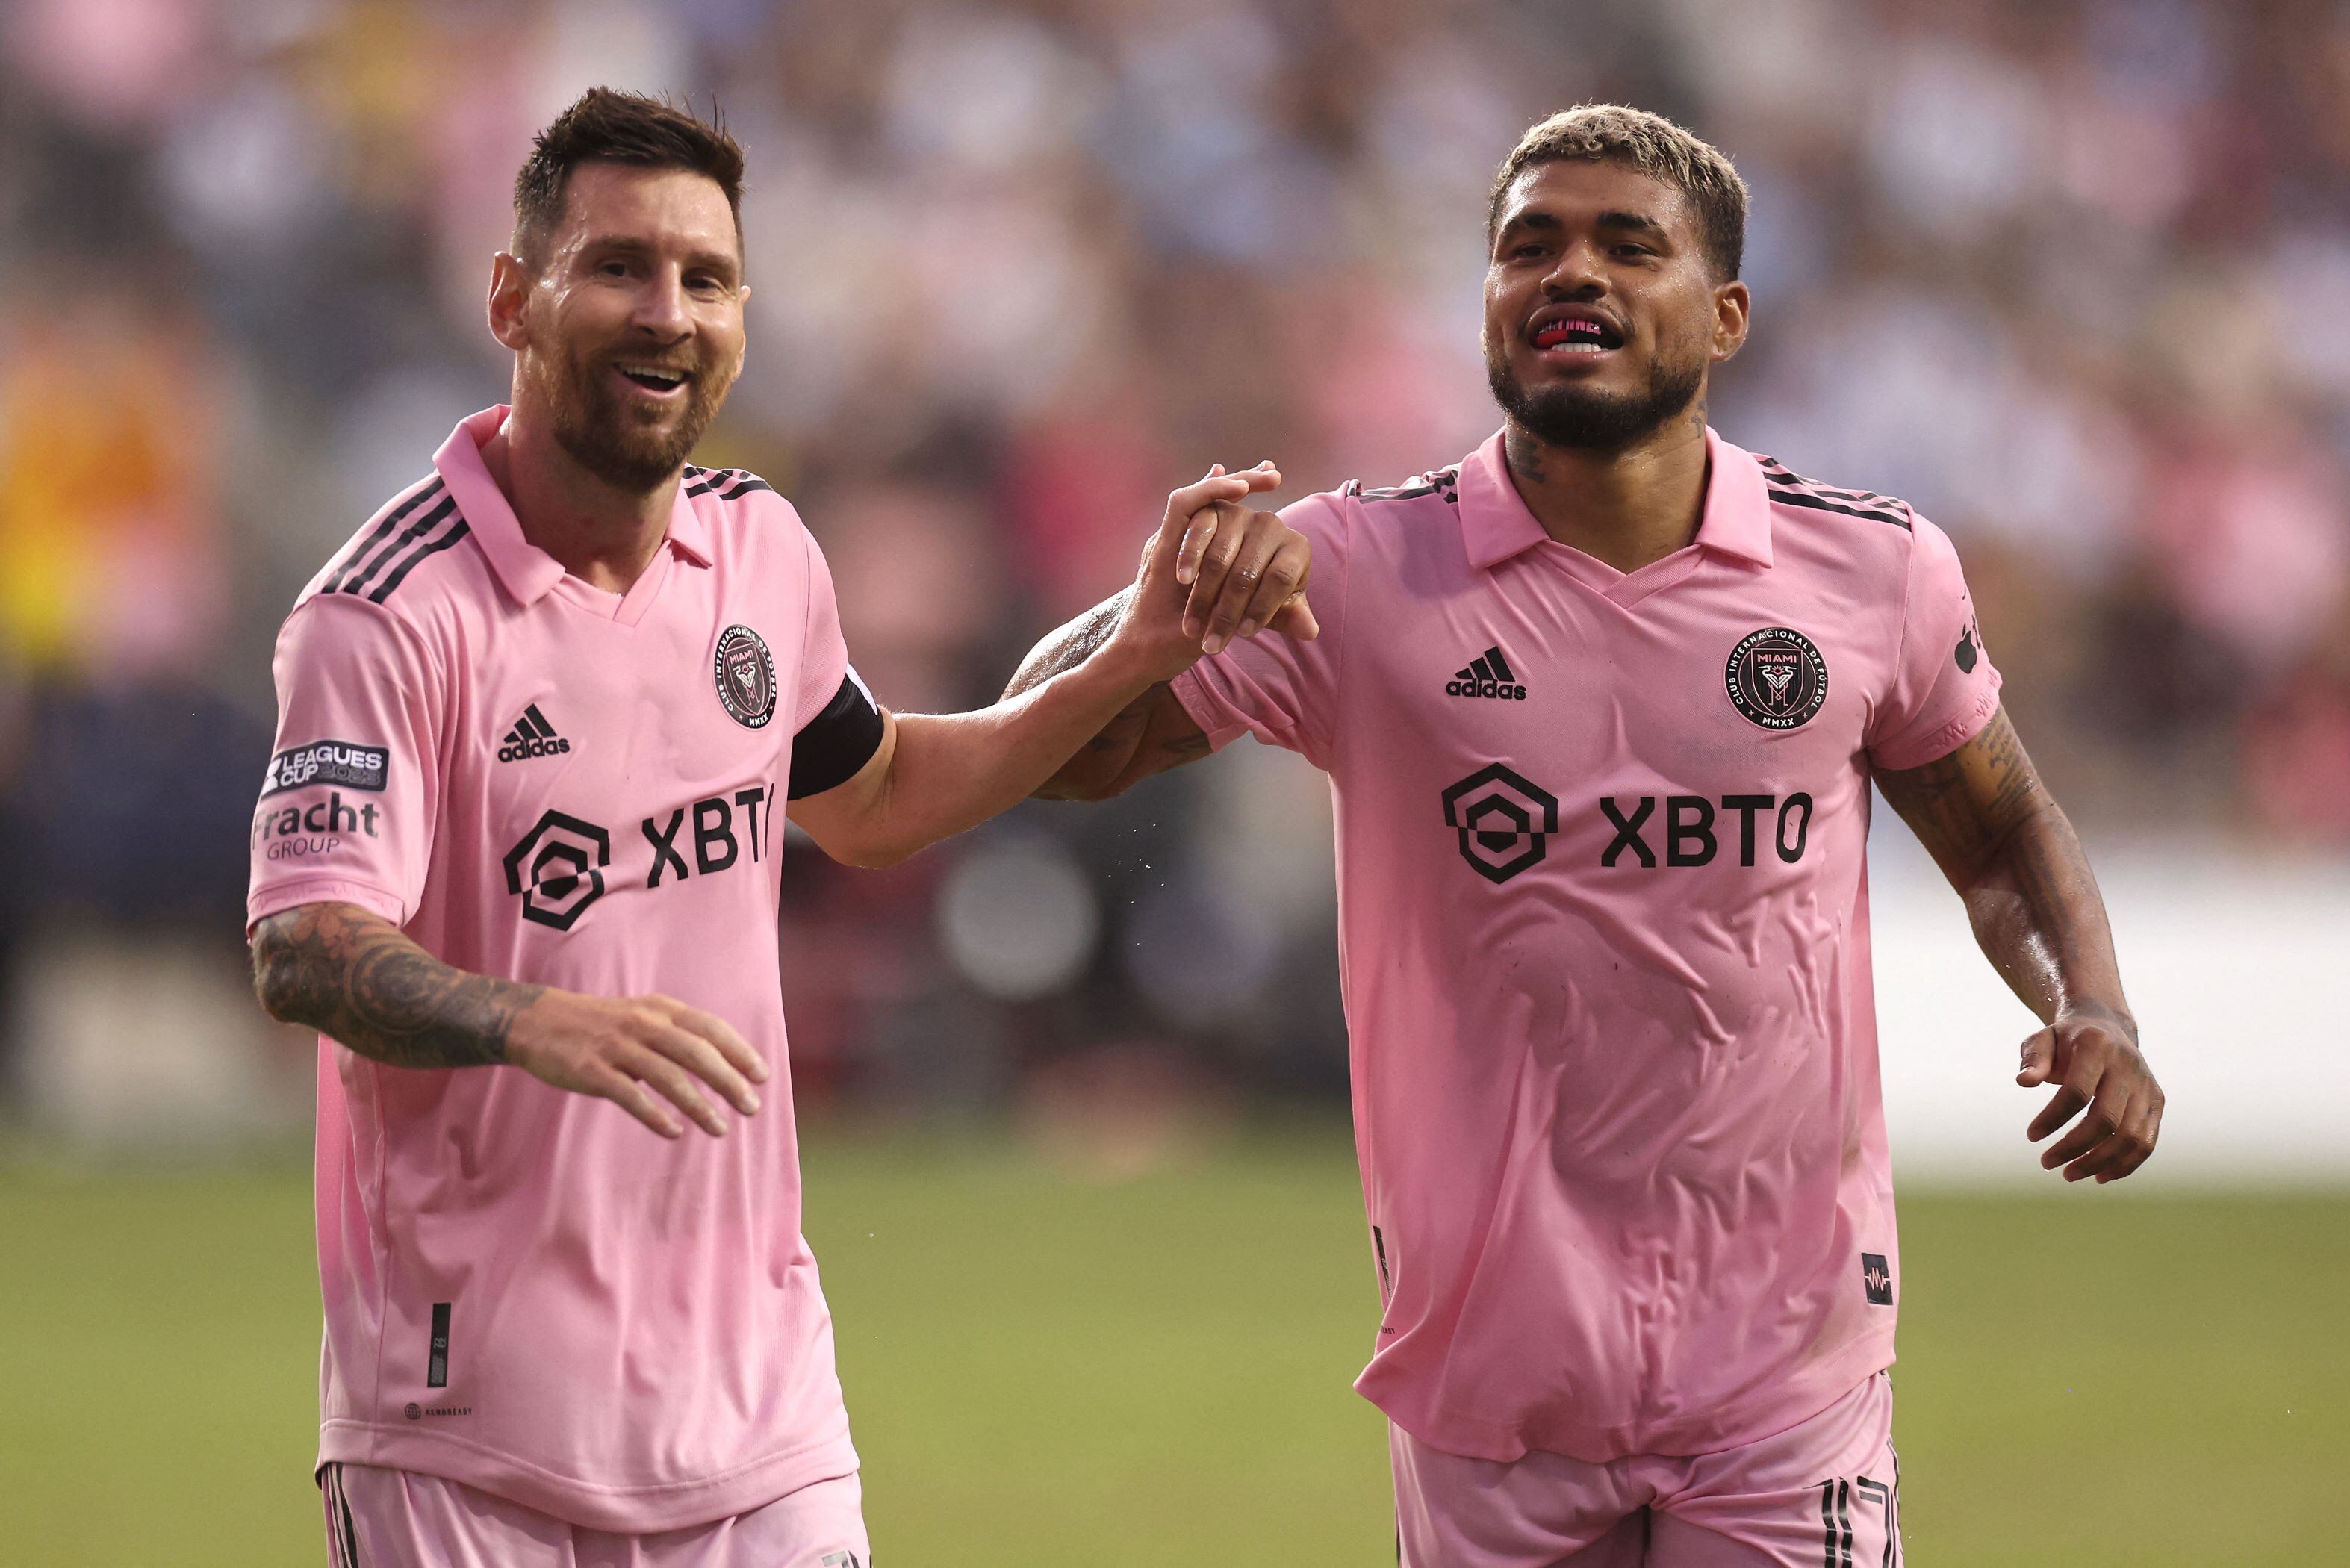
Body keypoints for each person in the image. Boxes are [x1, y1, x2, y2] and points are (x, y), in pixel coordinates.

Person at [1014, 104, 2164, 1568]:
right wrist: (1154, 610)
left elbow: (2001, 836)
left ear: (1726, 314)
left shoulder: (1870, 571)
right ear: (1488, 303)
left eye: (1631, 246)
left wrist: (2097, 1009)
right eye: (1530, 246)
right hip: (1491, 1371)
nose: (1575, 274)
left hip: (1784, 1371)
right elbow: (1050, 751)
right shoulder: (1362, 569)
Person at [244, 88, 1312, 1568]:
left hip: (760, 1425)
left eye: (707, 277)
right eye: (619, 265)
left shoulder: (760, 549)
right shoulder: (383, 616)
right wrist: (521, 1020)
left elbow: (873, 801)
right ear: (513, 296)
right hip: (464, 1433)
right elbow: (303, 945)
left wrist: (1135, 654)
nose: (666, 311)